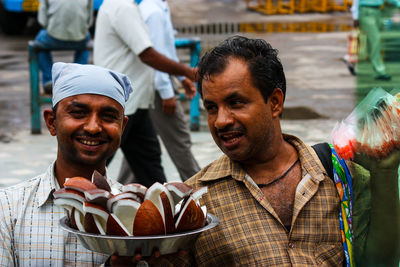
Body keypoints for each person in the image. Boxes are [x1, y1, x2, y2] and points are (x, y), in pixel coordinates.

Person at [115, 36, 400, 266]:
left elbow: (380, 260)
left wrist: (385, 173)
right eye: (211, 108)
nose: (221, 121)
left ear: (275, 102)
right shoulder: (194, 205)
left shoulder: (340, 173)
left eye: (236, 102)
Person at [0, 62, 132, 266]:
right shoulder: (8, 209)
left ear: (122, 127)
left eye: (108, 116)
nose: (93, 127)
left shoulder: (132, 215)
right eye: (79, 113)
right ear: (52, 122)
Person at [93, 0, 197, 187]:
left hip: (135, 102)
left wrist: (181, 77)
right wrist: (187, 72)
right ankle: (72, 206)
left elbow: (161, 50)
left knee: (149, 165)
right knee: (97, 163)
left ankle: (159, 210)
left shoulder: (116, 5)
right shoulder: (124, 8)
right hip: (122, 102)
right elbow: (148, 54)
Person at [35, 0, 93, 94]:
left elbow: (42, 20)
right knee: (87, 39)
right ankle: (78, 79)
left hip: (53, 38)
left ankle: (49, 80)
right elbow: (89, 21)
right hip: (80, 39)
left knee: (38, 41)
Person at [351, 0, 400, 81]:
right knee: (375, 40)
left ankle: (351, 60)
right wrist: (355, 16)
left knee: (371, 42)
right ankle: (380, 71)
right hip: (366, 12)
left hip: (378, 12)